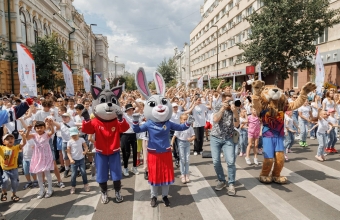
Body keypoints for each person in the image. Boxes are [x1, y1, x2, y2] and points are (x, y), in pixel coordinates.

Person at [210, 93, 239, 196]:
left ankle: (231, 184)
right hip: (215, 137)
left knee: (230, 162)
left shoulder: (234, 108)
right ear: (223, 101)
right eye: (228, 101)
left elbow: (236, 124)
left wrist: (235, 111)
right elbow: (215, 119)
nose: (230, 103)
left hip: (228, 138)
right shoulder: (218, 106)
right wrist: (223, 108)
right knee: (216, 161)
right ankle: (222, 180)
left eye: (231, 100)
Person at [26, 120, 55, 198]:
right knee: (38, 173)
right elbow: (27, 137)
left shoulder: (46, 134)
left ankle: (50, 189)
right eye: (37, 128)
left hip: (46, 156)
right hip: (37, 156)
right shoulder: (34, 135)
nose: (39, 129)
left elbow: (52, 132)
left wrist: (51, 125)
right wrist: (28, 130)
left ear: (44, 128)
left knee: (47, 173)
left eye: (41, 127)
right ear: (35, 129)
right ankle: (42, 190)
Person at [0, 132, 26, 202]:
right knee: (4, 181)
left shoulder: (16, 148)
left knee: (15, 183)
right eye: (7, 139)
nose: (10, 140)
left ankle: (13, 195)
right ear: (3, 142)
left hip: (14, 169)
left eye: (12, 138)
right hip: (5, 170)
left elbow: (23, 143)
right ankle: (4, 193)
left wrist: (23, 136)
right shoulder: (1, 148)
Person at [171, 114, 195, 183]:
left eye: (186, 119)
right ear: (180, 121)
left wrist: (191, 139)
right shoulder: (179, 128)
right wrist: (171, 145)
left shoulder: (190, 127)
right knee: (182, 159)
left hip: (187, 144)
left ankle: (186, 174)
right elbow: (174, 137)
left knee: (187, 159)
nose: (185, 121)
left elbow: (194, 136)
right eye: (183, 119)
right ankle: (182, 174)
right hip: (180, 143)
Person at [66, 127, 90, 194]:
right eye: (72, 135)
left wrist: (85, 152)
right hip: (74, 160)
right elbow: (68, 152)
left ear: (78, 134)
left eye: (75, 135)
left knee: (83, 172)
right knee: (73, 174)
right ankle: (73, 186)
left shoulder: (81, 139)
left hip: (81, 158)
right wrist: (70, 159)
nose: (74, 136)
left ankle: (86, 184)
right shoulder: (69, 142)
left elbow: (86, 147)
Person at [121, 104, 139, 176]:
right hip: (125, 135)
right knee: (127, 153)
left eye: (132, 109)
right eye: (129, 109)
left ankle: (134, 167)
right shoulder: (124, 115)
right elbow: (119, 110)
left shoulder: (135, 116)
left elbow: (140, 108)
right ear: (127, 110)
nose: (131, 111)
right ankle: (125, 168)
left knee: (135, 152)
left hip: (133, 135)